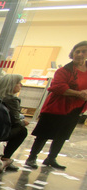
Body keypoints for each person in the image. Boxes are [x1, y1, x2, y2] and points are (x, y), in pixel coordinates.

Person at [24, 41, 87, 170]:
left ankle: (51, 158)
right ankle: (32, 158)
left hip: (75, 109)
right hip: (56, 108)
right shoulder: (64, 70)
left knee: (62, 136)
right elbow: (58, 87)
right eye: (77, 51)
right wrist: (78, 93)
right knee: (43, 135)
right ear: (73, 53)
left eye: (84, 51)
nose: (80, 54)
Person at [0, 74, 28, 172]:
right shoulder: (12, 100)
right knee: (22, 131)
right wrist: (23, 122)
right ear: (11, 85)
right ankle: (5, 158)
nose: (20, 85)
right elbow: (16, 122)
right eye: (18, 83)